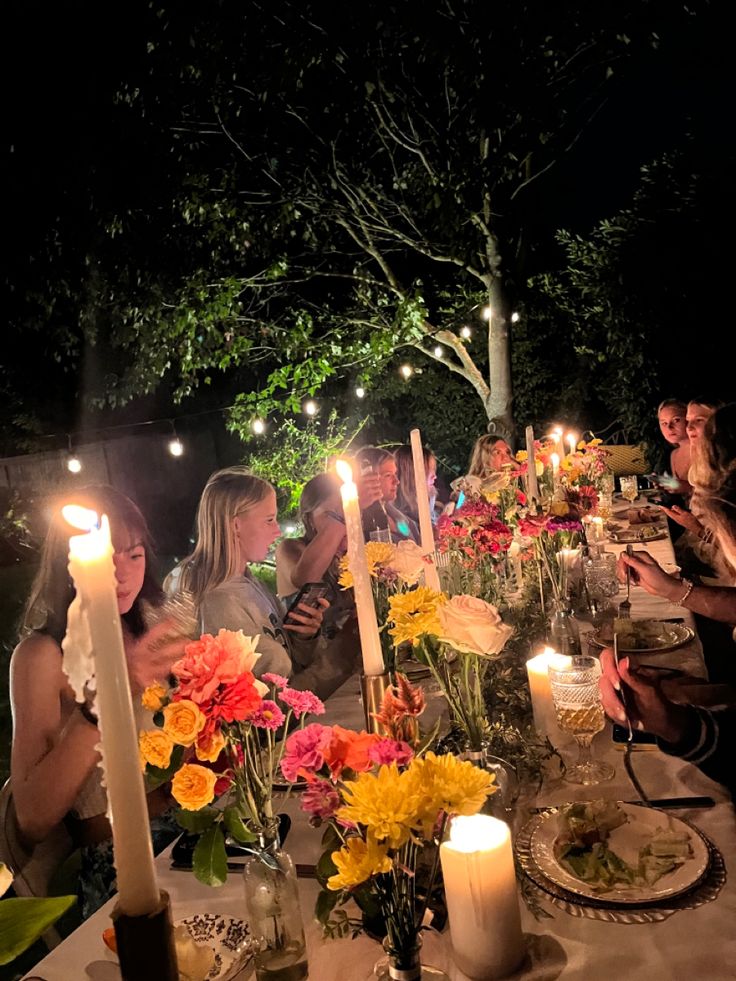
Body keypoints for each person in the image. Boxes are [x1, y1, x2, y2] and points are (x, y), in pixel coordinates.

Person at [9, 486, 191, 917]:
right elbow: (31, 818)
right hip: (122, 865)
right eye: (107, 557)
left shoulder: (148, 628)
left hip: (190, 831)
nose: (123, 573)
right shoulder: (42, 657)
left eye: (134, 554)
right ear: (71, 563)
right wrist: (107, 695)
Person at [601, 407, 736, 795]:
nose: (686, 428)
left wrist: (680, 723)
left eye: (695, 421)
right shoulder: (675, 458)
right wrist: (673, 590)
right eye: (676, 421)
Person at [176, 466, 328, 686]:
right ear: (236, 525)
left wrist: (305, 636)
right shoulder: (217, 602)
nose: (277, 531)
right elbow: (260, 696)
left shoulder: (250, 583)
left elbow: (290, 661)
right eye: (269, 520)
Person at [275, 473, 360, 684]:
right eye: (331, 514)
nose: (342, 520)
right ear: (309, 518)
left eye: (346, 511)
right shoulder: (291, 549)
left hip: (353, 671)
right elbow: (307, 579)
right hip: (314, 677)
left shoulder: (353, 553)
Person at [354, 447, 420, 543]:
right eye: (388, 475)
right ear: (369, 477)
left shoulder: (400, 518)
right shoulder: (359, 523)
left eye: (395, 474)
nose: (396, 481)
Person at [393, 444, 439, 529]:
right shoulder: (400, 518)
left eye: (434, 470)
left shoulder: (430, 502)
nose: (434, 476)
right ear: (411, 476)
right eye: (428, 471)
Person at [654, 398, 691, 497]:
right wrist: (667, 486)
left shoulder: (706, 451)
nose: (669, 427)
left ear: (689, 419)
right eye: (664, 423)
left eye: (676, 420)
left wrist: (688, 488)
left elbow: (724, 494)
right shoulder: (674, 455)